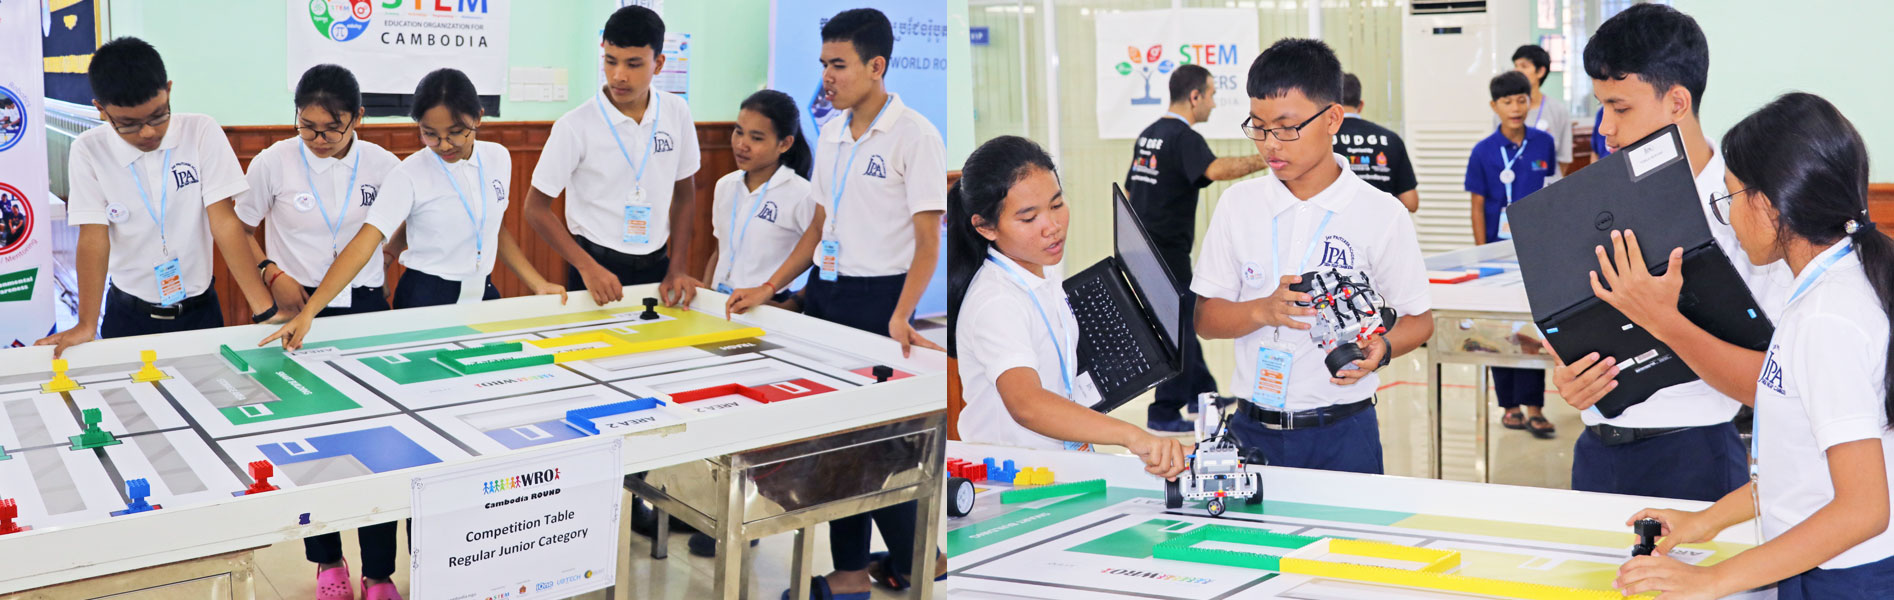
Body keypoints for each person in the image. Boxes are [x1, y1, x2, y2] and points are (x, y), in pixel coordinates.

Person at [1613, 92, 1894, 600]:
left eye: (1729, 198)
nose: (1729, 217)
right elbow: (1798, 467)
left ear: (1766, 205)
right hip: (1821, 563)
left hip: (1847, 577)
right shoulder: (1826, 290)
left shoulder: (1827, 318)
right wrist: (1705, 521)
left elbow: (1864, 510)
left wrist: (1712, 579)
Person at [1550, 3, 1790, 502]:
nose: (1605, 128)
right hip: (1595, 452)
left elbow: (1772, 383)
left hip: (1694, 456)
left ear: (1677, 102)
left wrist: (1665, 321)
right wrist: (1573, 378)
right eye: (1601, 106)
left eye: (1620, 108)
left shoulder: (1750, 210)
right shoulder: (1599, 202)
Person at [759, 10, 947, 598]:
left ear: (876, 66)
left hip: (879, 303)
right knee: (836, 441)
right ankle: (858, 571)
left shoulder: (915, 135)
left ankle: (912, 560)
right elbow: (819, 227)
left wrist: (901, 314)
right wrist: (771, 288)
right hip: (829, 294)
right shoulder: (833, 132)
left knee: (875, 446)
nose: (827, 77)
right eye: (823, 64)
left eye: (838, 65)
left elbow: (928, 242)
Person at [1191, 38, 1433, 476]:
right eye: (1258, 127)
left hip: (1344, 433)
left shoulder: (1381, 213)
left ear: (1332, 118)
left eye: (1287, 127)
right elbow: (1206, 320)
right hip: (1252, 431)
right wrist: (1262, 310)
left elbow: (1419, 320)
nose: (1270, 144)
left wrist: (1382, 349)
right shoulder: (1237, 205)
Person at [260, 68, 565, 351]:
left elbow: (493, 228)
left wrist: (537, 283)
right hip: (427, 295)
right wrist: (310, 312)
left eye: (456, 132)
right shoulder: (409, 173)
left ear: (478, 118)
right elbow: (364, 243)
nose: (444, 145)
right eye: (430, 134)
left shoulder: (499, 158)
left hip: (483, 289)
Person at [948, 134, 1190, 473]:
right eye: (1029, 218)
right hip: (1013, 478)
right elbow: (1027, 405)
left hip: (1057, 464)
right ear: (986, 227)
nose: (1052, 226)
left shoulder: (1037, 272)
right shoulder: (996, 301)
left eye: (1057, 204)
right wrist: (1132, 436)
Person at [38, 37, 283, 357]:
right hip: (127, 315)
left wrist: (264, 309)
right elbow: (93, 237)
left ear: (168, 91)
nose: (148, 132)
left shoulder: (201, 132)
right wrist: (86, 323)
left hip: (200, 312)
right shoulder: (89, 150)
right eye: (128, 124)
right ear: (102, 110)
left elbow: (224, 223)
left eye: (158, 116)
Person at [1123, 64, 1268, 432]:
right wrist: (1267, 157)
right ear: (1194, 96)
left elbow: (1129, 191)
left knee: (1186, 318)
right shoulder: (1183, 137)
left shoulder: (1149, 134)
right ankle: (1164, 411)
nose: (1214, 104)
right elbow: (1215, 170)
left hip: (1142, 247)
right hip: (1166, 251)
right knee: (1179, 328)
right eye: (1211, 95)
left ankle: (1201, 392)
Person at [526, 5, 701, 308]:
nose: (619, 75)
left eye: (633, 64)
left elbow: (685, 196)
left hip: (658, 267)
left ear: (658, 64)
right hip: (595, 269)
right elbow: (535, 209)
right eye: (610, 61)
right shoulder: (574, 125)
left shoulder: (677, 112)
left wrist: (678, 268)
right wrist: (587, 267)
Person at [1465, 71, 1559, 438]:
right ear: (1495, 106)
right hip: (1495, 255)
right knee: (1500, 329)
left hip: (1536, 251)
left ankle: (1535, 406)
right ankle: (1509, 406)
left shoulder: (1543, 143)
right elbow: (1477, 205)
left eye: (1521, 100)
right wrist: (1482, 254)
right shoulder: (1483, 151)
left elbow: (1550, 194)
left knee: (1532, 326)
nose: (1515, 108)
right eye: (1507, 102)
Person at [704, 90, 815, 303]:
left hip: (766, 304)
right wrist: (706, 295)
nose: (741, 145)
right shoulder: (725, 185)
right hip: (720, 300)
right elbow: (720, 250)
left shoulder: (802, 194)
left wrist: (793, 304)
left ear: (784, 144)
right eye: (738, 132)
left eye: (756, 138)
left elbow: (821, 258)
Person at [1333, 73, 1418, 212]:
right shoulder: (1391, 139)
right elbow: (1411, 203)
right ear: (1361, 105)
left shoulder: (1323, 139)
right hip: (1383, 222)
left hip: (1335, 221)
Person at [1510, 44, 1573, 181]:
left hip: (1548, 187)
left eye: (1524, 66)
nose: (1517, 71)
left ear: (1540, 72)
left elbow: (1564, 159)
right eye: (1515, 65)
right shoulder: (1505, 111)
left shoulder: (1558, 110)